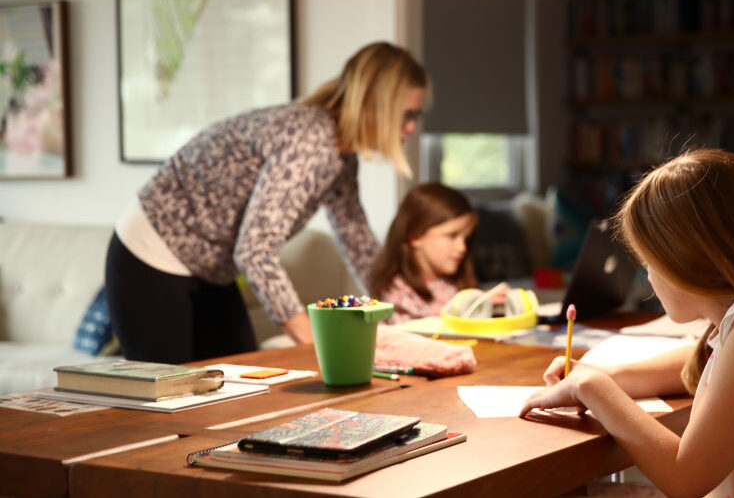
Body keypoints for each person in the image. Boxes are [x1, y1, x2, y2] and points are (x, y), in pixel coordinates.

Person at [520, 148, 734, 497]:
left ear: (686, 260)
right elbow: (711, 368)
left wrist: (593, 388)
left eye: (648, 263)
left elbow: (685, 479)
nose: (649, 279)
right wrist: (607, 377)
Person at [105, 41, 428, 364]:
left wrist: (400, 316)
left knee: (235, 387)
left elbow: (356, 239)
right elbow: (254, 250)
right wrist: (309, 335)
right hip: (151, 254)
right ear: (375, 105)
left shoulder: (342, 157)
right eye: (407, 115)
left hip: (211, 268)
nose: (412, 127)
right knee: (166, 398)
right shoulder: (310, 141)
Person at [369, 182, 505, 324]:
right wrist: (472, 309)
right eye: (452, 236)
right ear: (416, 236)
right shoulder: (396, 293)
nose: (462, 247)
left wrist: (492, 306)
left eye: (466, 239)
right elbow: (416, 338)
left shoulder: (454, 284)